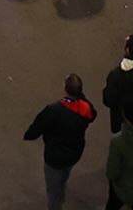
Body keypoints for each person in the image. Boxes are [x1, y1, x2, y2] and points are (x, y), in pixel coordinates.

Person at [24, 74, 97, 210]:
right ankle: (62, 190)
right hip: (74, 152)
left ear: (65, 89)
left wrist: (29, 135)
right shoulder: (85, 108)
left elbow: (37, 128)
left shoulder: (54, 110)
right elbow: (93, 115)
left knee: (53, 190)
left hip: (55, 156)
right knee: (64, 175)